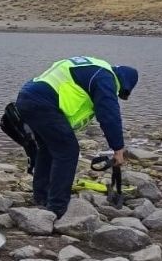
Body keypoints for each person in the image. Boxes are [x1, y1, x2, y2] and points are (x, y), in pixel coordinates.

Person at [16, 57, 139, 218]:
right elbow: (109, 115)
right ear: (124, 83)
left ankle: (41, 198)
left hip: (27, 97)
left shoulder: (95, 67)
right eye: (120, 92)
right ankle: (57, 208)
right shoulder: (106, 79)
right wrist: (118, 149)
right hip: (43, 102)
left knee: (48, 149)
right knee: (67, 151)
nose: (117, 94)